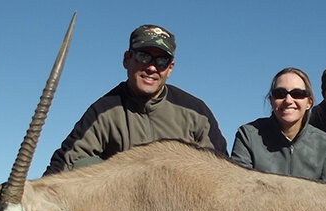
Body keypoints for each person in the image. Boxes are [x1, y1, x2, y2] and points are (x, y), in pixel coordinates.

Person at [45, 24, 226, 174]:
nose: (152, 68)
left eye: (161, 61)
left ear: (170, 68)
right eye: (143, 56)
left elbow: (224, 171)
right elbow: (66, 162)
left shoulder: (196, 112)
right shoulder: (104, 110)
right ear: (127, 59)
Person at [231, 67, 326, 183]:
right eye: (280, 94)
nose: (288, 100)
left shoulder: (324, 142)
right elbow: (238, 188)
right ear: (271, 101)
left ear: (309, 103)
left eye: (297, 94)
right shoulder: (248, 136)